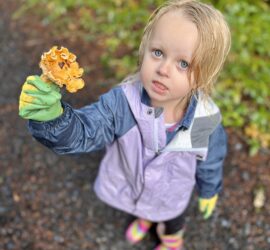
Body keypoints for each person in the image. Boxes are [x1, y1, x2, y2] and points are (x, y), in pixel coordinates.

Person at [19, 0, 231, 249]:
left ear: (205, 74)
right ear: (144, 49)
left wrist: (210, 189)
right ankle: (144, 217)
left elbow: (212, 160)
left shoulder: (205, 122)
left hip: (170, 198)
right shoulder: (122, 105)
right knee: (143, 207)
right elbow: (85, 132)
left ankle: (172, 241)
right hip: (132, 186)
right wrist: (52, 118)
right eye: (158, 52)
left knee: (173, 223)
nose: (163, 69)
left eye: (183, 63)